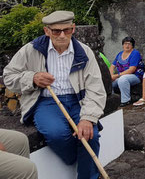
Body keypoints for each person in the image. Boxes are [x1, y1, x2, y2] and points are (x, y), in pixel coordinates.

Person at [3, 10, 106, 179]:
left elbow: (96, 88)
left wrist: (87, 118)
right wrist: (32, 78)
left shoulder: (84, 52)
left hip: (78, 100)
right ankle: (78, 158)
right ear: (47, 31)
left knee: (90, 135)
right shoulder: (31, 49)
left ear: (73, 29)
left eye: (67, 30)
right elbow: (8, 76)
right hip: (46, 101)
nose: (62, 35)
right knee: (56, 133)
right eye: (56, 31)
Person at [109, 36, 144, 107]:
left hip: (135, 76)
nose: (127, 45)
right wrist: (111, 76)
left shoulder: (135, 53)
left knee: (123, 79)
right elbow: (112, 66)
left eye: (129, 44)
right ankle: (113, 101)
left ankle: (125, 100)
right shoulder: (120, 54)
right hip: (121, 75)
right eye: (125, 44)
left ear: (132, 46)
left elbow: (132, 69)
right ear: (122, 45)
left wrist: (116, 75)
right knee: (109, 83)